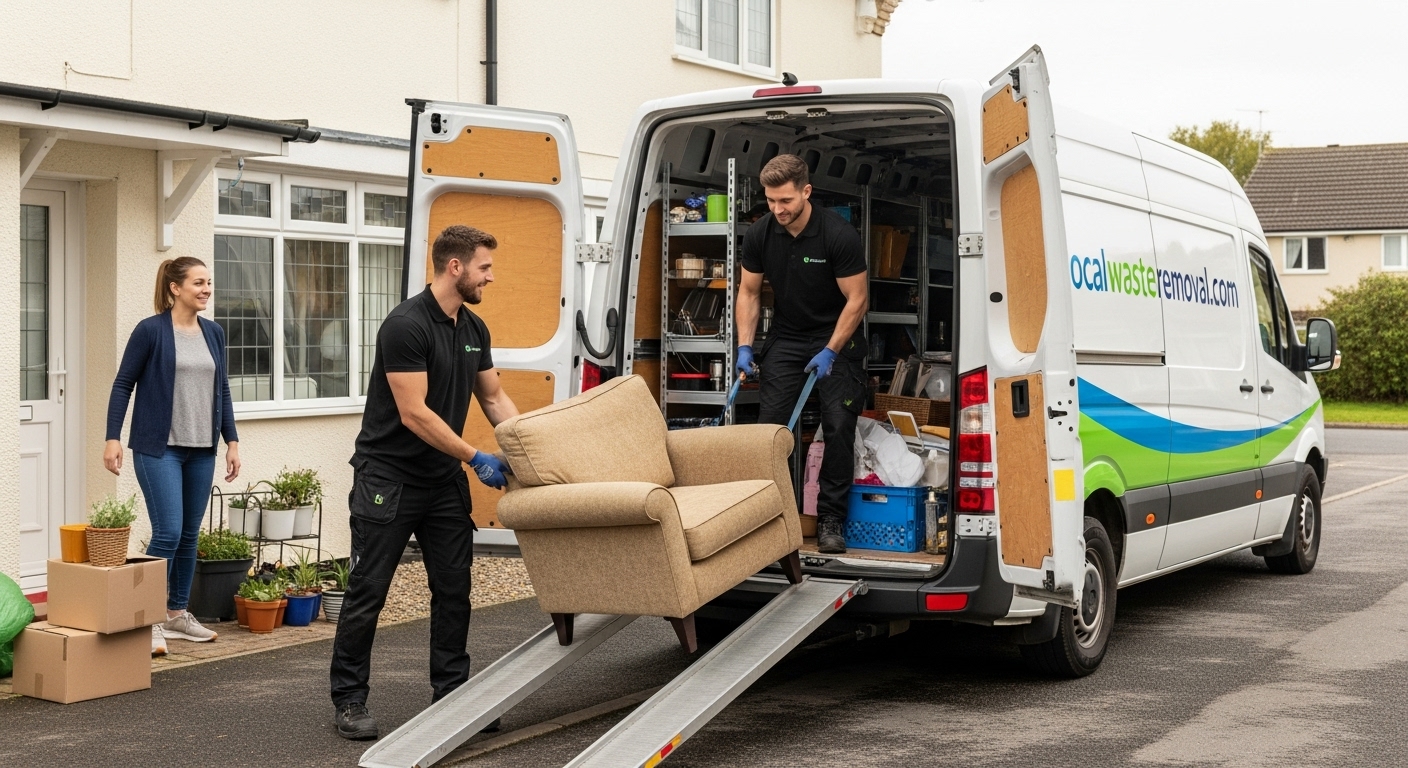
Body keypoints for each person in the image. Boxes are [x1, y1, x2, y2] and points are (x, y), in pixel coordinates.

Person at [330, 225, 520, 741]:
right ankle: (349, 699)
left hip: (440, 482)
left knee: (454, 591)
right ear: (455, 267)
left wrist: (529, 448)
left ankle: (452, 692)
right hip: (387, 479)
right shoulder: (405, 325)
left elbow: (495, 398)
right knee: (368, 592)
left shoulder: (473, 328)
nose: (491, 276)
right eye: (484, 267)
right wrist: (475, 455)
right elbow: (414, 414)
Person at [105, 256, 242, 656]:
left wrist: (231, 440)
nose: (206, 289)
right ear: (175, 288)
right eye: (198, 283)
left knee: (188, 534)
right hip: (159, 447)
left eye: (208, 283)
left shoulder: (213, 333)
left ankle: (176, 613)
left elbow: (224, 390)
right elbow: (122, 385)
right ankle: (145, 619)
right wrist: (112, 437)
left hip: (202, 449)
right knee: (167, 530)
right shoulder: (150, 331)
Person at [736, 154, 869, 554]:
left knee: (837, 425)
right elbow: (749, 292)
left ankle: (830, 519)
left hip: (836, 337)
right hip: (788, 337)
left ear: (806, 192)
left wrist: (831, 350)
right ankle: (771, 517)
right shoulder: (760, 234)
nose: (778, 209)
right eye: (771, 200)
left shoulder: (837, 234)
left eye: (786, 201)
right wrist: (744, 344)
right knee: (771, 430)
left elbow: (857, 300)